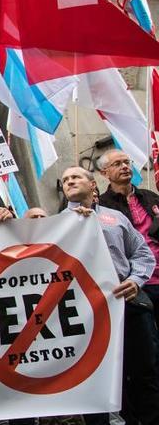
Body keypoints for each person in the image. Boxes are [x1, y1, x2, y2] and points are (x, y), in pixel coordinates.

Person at [60, 166, 159, 425]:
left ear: (93, 185)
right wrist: (75, 227)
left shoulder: (116, 218)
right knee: (102, 377)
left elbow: (142, 254)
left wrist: (135, 281)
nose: (70, 181)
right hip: (88, 313)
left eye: (76, 176)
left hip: (129, 305)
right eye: (65, 180)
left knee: (144, 370)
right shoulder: (55, 226)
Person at [97, 149, 159, 329]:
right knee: (148, 344)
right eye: (117, 164)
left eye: (126, 162)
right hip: (134, 284)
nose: (124, 167)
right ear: (104, 173)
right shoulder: (101, 206)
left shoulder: (150, 197)